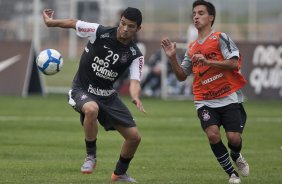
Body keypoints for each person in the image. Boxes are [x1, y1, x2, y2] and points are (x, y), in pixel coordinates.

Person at [42, 7, 146, 183]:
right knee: (91, 109)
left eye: (131, 26)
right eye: (123, 23)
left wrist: (135, 96)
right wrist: (51, 22)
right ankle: (91, 157)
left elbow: (135, 81)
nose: (125, 29)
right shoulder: (100, 31)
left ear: (138, 29)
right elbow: (74, 23)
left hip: (108, 96)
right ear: (119, 20)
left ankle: (119, 174)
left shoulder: (135, 55)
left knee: (134, 137)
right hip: (81, 89)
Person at [161, 1, 249, 183]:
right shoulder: (192, 48)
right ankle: (232, 174)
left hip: (228, 97)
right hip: (204, 100)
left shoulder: (220, 38)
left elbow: (234, 63)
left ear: (211, 17)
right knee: (212, 134)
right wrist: (172, 58)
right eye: (194, 13)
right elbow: (181, 76)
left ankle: (237, 154)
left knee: (234, 138)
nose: (196, 16)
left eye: (201, 13)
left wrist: (209, 62)